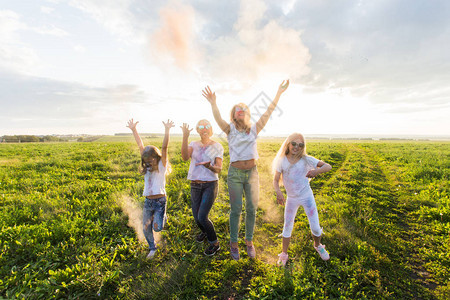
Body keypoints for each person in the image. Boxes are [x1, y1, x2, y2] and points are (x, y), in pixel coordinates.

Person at [202, 80, 289, 260]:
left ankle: (249, 242)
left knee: (251, 209)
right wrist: (213, 103)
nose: (240, 110)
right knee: (236, 209)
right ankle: (234, 244)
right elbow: (218, 118)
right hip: (234, 174)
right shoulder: (229, 129)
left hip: (252, 174)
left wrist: (278, 93)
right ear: (234, 114)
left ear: (247, 113)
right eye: (237, 108)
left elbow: (269, 111)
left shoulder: (254, 128)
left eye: (243, 108)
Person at [272, 133, 332, 266]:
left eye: (300, 145)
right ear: (288, 143)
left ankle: (318, 245)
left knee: (316, 228)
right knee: (287, 227)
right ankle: (284, 254)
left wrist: (316, 172)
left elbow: (328, 166)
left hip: (307, 197)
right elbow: (275, 180)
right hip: (291, 199)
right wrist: (278, 192)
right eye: (294, 143)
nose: (296, 147)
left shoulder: (306, 159)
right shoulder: (282, 160)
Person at [127, 118, 174, 259]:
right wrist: (134, 130)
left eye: (153, 157)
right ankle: (152, 248)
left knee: (157, 227)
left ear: (157, 157)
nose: (150, 160)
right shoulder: (147, 169)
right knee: (146, 227)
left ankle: (163, 217)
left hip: (160, 201)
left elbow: (164, 147)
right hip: (148, 202)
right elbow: (140, 146)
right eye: (147, 158)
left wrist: (167, 130)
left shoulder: (161, 167)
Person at [180, 120, 224, 256]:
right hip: (195, 185)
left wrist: (209, 166)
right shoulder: (193, 144)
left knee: (202, 216)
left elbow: (219, 169)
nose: (204, 129)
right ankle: (205, 232)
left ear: (210, 129)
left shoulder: (217, 146)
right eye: (200, 126)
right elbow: (184, 158)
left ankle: (214, 243)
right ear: (198, 130)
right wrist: (185, 136)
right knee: (196, 217)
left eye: (206, 126)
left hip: (210, 184)